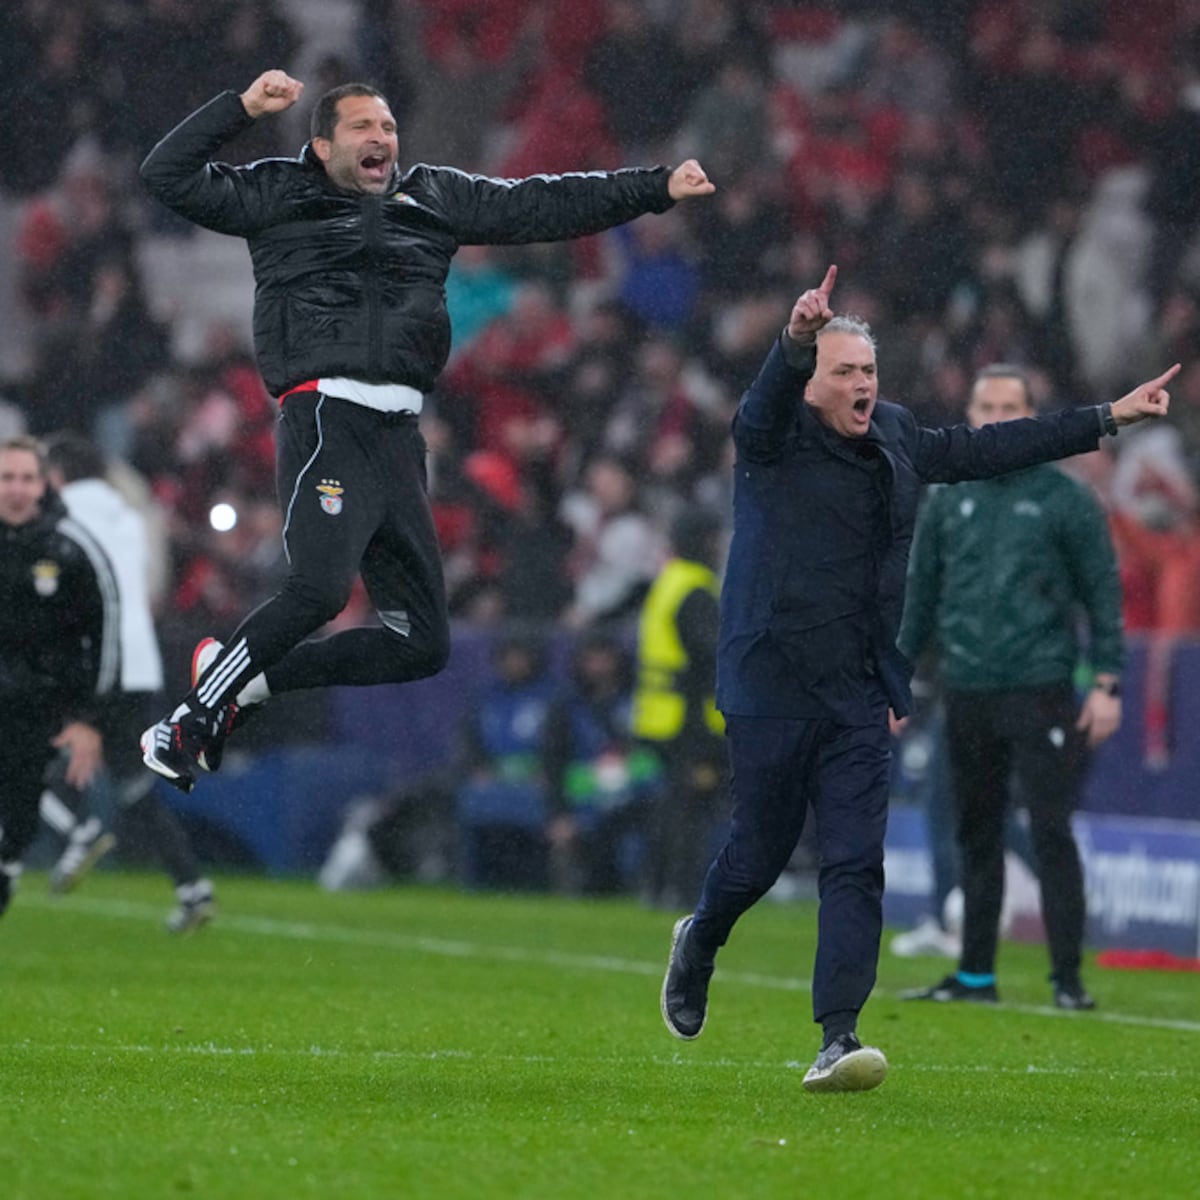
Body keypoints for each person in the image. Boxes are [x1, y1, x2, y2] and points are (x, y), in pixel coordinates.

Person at [658, 266, 1176, 1094]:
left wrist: (1105, 417)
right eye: (844, 372)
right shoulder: (773, 436)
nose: (863, 384)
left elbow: (982, 449)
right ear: (812, 383)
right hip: (772, 682)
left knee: (856, 862)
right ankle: (702, 937)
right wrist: (792, 342)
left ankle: (837, 1036)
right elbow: (759, 405)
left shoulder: (895, 433)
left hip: (859, 688)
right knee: (759, 852)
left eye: (869, 370)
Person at [135, 69, 714, 792]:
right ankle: (187, 722)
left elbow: (542, 204)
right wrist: (242, 109)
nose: (382, 137)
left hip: (400, 434)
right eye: (363, 127)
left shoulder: (432, 196)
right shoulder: (279, 192)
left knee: (421, 644)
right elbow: (164, 175)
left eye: (388, 127)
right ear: (322, 146)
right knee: (318, 590)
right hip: (327, 415)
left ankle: (240, 679)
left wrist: (656, 188)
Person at [898, 365, 1125, 1009]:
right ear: (969, 416)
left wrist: (1107, 683)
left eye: (1010, 407)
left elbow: (1102, 597)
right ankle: (975, 975)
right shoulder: (947, 499)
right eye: (986, 407)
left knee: (1051, 830)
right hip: (966, 687)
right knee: (976, 831)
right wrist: (896, 677)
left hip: (1041, 687)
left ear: (1032, 416)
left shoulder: (1067, 499)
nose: (997, 418)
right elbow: (921, 596)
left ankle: (1068, 980)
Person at [42, 433, 216, 932]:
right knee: (134, 785)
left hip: (90, 661)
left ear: (57, 474)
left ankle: (79, 829)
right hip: (138, 664)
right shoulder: (131, 518)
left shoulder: (59, 518)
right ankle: (192, 888)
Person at [0, 436, 117, 917]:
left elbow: (104, 633)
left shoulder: (71, 546)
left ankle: (25, 855)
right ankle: (69, 832)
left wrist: (89, 718)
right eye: (7, 478)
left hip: (41, 703)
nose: (17, 489)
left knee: (19, 804)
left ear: (44, 484)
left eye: (27, 478)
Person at [632, 507, 727, 910]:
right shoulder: (695, 589)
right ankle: (682, 890)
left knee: (670, 806)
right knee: (689, 808)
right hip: (687, 717)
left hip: (656, 713)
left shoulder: (667, 582)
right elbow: (711, 653)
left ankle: (655, 885)